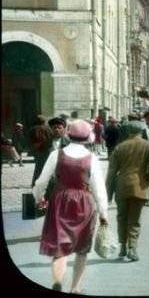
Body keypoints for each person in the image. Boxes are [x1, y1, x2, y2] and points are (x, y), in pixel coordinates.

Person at [33, 119, 108, 293]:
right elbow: (99, 188)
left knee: (60, 248)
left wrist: (39, 198)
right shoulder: (92, 158)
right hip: (84, 203)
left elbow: (41, 182)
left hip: (60, 200)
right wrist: (103, 213)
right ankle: (75, 288)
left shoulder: (56, 154)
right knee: (81, 249)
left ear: (69, 134)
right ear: (87, 138)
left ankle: (58, 281)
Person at [106, 122, 149, 261]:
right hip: (139, 186)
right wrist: (148, 179)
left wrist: (108, 194)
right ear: (141, 131)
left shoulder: (119, 147)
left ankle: (123, 246)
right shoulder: (148, 145)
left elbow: (111, 173)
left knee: (121, 217)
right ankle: (132, 248)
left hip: (121, 186)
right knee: (134, 219)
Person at [28, 115, 54, 186]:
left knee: (38, 168)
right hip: (48, 151)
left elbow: (30, 141)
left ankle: (36, 183)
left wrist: (33, 150)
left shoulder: (33, 129)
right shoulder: (48, 129)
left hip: (38, 151)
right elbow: (51, 139)